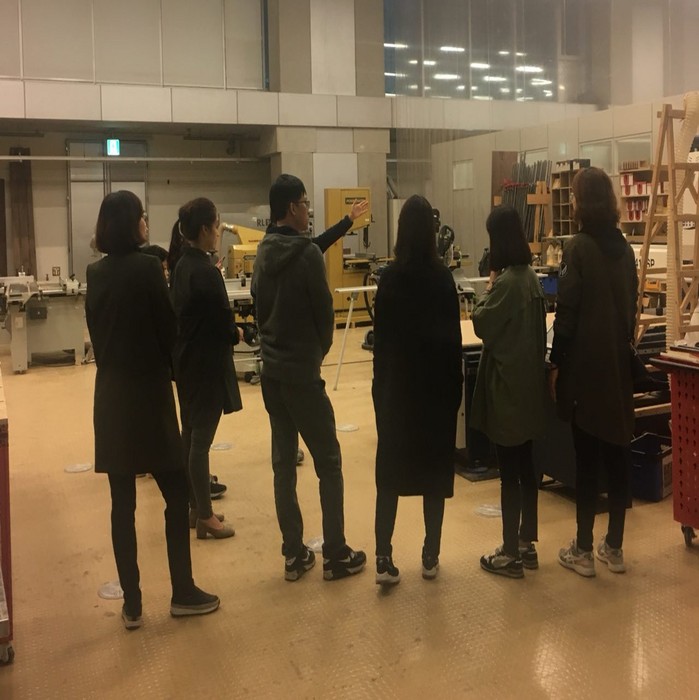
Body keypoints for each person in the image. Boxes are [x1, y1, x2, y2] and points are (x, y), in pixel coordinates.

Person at [85, 191, 219, 629]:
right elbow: (168, 330)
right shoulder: (147, 268)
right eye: (142, 216)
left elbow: (97, 333)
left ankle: (132, 604)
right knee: (177, 495)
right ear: (131, 224)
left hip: (111, 400)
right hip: (149, 397)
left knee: (121, 504)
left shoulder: (95, 273)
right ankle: (182, 591)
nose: (147, 222)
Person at [251, 174, 366, 582]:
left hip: (271, 374)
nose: (308, 210)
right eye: (304, 203)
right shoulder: (308, 256)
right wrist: (317, 354)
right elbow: (324, 316)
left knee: (283, 465)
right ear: (291, 208)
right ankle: (335, 554)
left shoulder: (263, 252)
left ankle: (294, 554)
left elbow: (258, 305)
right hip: (302, 373)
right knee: (329, 462)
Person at [550, 167, 638, 577]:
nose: (570, 202)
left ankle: (583, 550)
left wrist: (555, 361)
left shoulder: (578, 248)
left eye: (573, 196)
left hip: (585, 369)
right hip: (619, 366)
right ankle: (614, 547)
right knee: (618, 454)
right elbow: (632, 308)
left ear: (582, 202)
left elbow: (566, 314)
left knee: (586, 460)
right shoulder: (626, 249)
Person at [371, 195, 462, 585]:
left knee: (389, 475)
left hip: (397, 392)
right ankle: (430, 556)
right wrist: (454, 393)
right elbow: (453, 343)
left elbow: (380, 345)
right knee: (433, 476)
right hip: (435, 393)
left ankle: (383, 558)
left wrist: (379, 394)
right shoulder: (443, 280)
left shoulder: (389, 280)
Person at [470, 205, 548, 579]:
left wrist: (487, 287)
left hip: (508, 392)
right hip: (530, 390)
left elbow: (481, 322)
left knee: (509, 475)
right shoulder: (531, 278)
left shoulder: (506, 284)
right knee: (527, 470)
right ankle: (526, 542)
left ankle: (509, 552)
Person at [170, 198, 241, 540]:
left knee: (190, 435)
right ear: (203, 230)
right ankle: (206, 518)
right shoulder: (206, 272)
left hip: (186, 362)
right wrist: (236, 332)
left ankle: (195, 507)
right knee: (201, 442)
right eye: (215, 226)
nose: (217, 232)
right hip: (207, 365)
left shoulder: (182, 265)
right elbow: (221, 321)